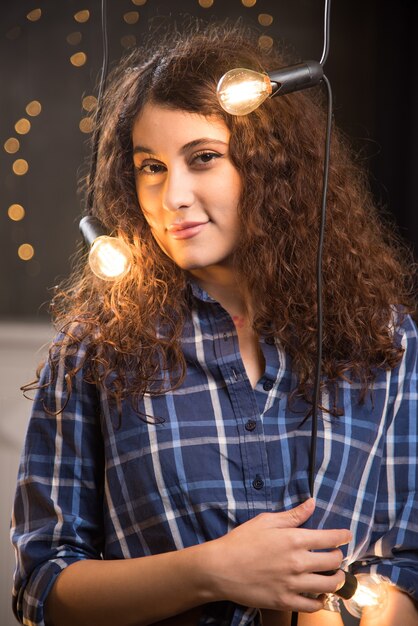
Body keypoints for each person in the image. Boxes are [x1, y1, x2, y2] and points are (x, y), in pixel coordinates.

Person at [11, 21, 418, 626]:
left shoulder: (385, 339)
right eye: (151, 166)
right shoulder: (95, 351)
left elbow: (405, 561)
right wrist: (210, 571)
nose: (172, 194)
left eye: (203, 158)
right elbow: (43, 585)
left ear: (272, 167)